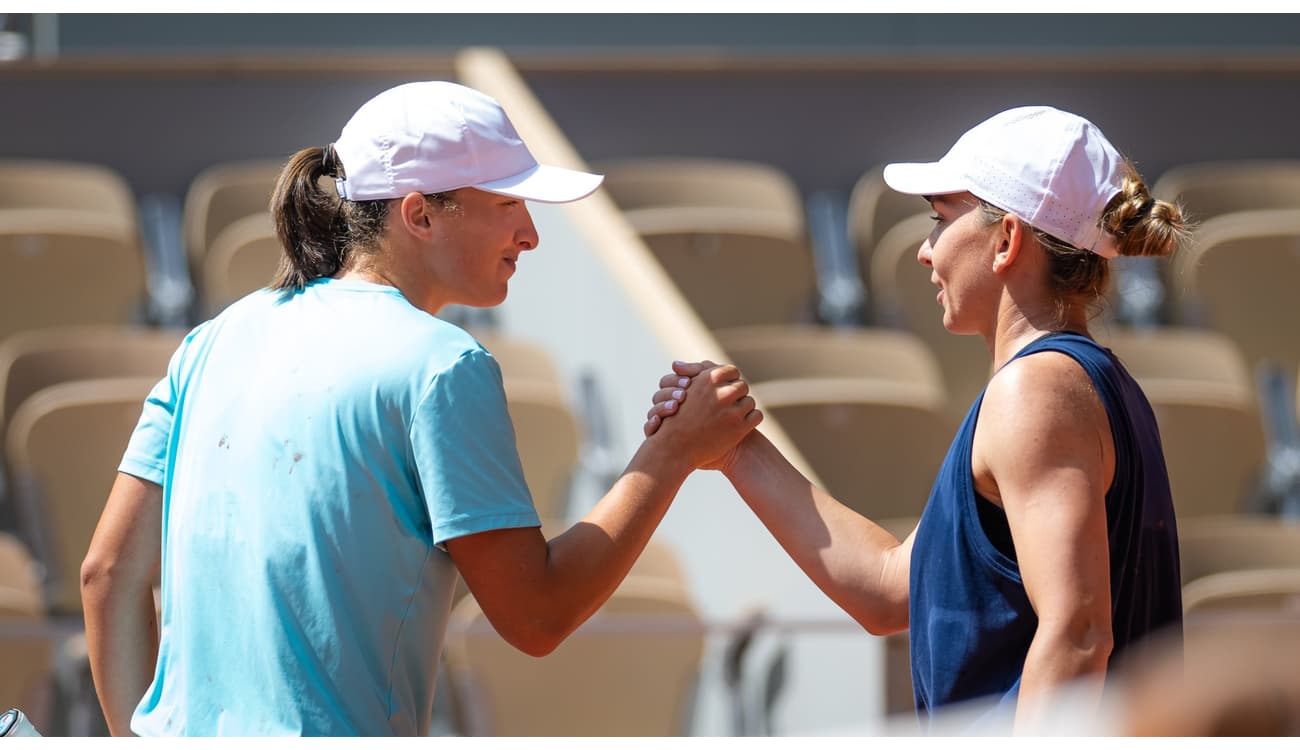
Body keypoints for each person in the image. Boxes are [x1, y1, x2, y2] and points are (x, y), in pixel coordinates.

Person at [79, 81, 762, 737]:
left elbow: (106, 575)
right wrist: (673, 452)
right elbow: (537, 616)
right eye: (507, 205)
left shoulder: (211, 340)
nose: (531, 235)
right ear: (420, 214)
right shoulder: (444, 365)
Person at [645, 106, 1187, 732]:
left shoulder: (1036, 391)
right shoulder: (1077, 385)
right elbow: (888, 589)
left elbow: (1078, 635)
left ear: (1007, 240)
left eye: (941, 219)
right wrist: (737, 448)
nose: (927, 251)